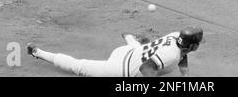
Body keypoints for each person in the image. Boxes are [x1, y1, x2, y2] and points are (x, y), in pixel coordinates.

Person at [27, 26, 204, 77]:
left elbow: (183, 54)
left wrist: (185, 76)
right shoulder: (171, 55)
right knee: (78, 67)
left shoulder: (176, 37)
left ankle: (130, 38)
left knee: (140, 47)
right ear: (192, 46)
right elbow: (146, 69)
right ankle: (38, 52)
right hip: (118, 69)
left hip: (127, 52)